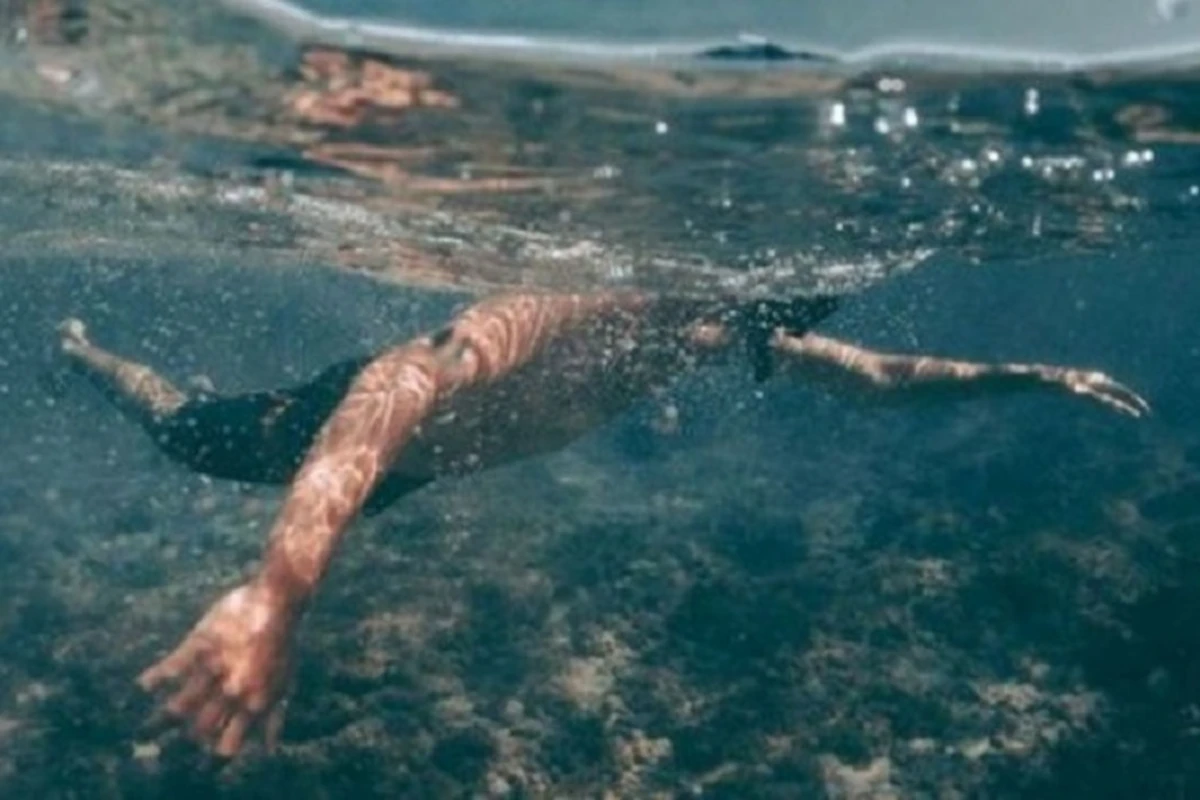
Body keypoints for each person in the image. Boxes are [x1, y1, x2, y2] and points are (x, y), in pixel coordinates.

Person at [56, 288, 1149, 757]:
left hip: (407, 476)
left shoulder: (702, 324)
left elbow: (867, 376)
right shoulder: (562, 311)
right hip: (324, 438)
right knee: (179, 430)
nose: (741, 326)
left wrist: (1029, 374)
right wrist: (278, 588)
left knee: (201, 435)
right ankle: (93, 356)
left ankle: (110, 365)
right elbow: (393, 383)